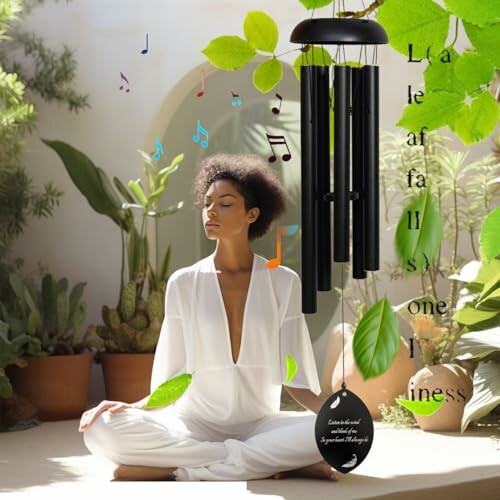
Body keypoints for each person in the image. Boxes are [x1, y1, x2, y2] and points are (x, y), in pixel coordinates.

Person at [80, 153, 336, 482]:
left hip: (259, 424)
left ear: (252, 214)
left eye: (225, 203)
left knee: (341, 433)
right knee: (100, 430)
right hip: (192, 426)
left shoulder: (283, 282)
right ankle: (272, 463)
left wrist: (335, 418)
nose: (211, 211)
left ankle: (179, 470)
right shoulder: (184, 283)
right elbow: (173, 377)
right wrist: (134, 408)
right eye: (207, 203)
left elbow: (296, 380)